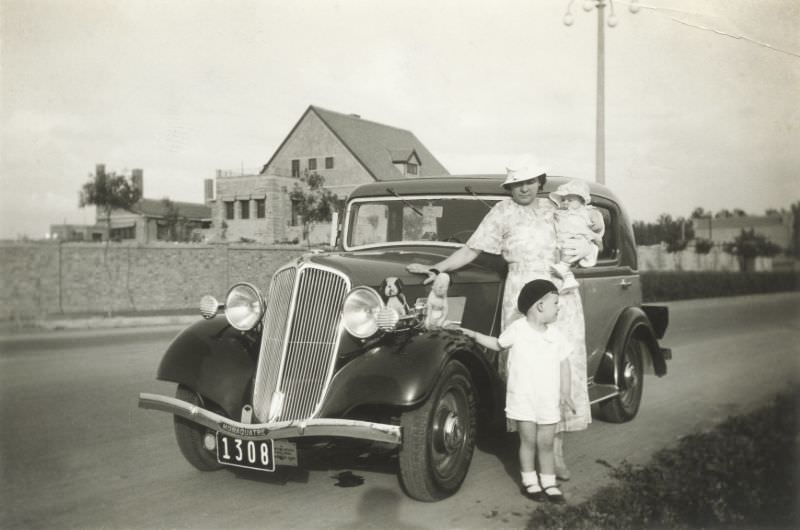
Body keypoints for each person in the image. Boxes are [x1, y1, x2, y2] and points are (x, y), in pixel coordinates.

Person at [406, 167, 597, 480]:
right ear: (510, 187)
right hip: (521, 291)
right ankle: (526, 450)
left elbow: (587, 231)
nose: (524, 189)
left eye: (530, 182)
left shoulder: (555, 208)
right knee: (524, 369)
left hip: (556, 291)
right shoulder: (502, 212)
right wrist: (436, 267)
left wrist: (589, 246)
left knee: (559, 366)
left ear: (541, 183)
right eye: (517, 184)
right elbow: (472, 248)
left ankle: (555, 450)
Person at [460, 279, 575, 502]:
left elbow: (565, 364)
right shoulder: (518, 329)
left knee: (546, 442)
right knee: (528, 441)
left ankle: (549, 483)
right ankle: (530, 481)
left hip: (548, 398)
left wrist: (565, 392)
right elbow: (497, 344)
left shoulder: (555, 335)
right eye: (555, 303)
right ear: (540, 305)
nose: (558, 307)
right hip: (523, 397)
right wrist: (474, 335)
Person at [548, 179, 605, 291]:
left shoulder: (587, 212)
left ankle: (565, 267)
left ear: (582, 201)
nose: (566, 202)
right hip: (563, 238)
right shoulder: (561, 213)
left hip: (579, 238)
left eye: (570, 200)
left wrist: (595, 222)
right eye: (563, 200)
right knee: (562, 248)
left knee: (570, 248)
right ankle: (568, 277)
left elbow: (597, 227)